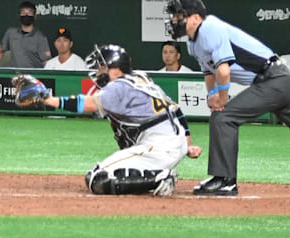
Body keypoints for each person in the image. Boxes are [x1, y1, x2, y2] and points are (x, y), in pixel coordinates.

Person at [165, 0, 290, 195]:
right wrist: (212, 94)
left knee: (223, 117)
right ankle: (223, 178)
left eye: (179, 16)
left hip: (275, 79)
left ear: (195, 17)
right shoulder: (193, 43)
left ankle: (225, 180)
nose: (175, 21)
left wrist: (221, 99)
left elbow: (223, 72)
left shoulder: (210, 28)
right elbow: (209, 72)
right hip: (278, 81)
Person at [22, 45, 200, 196]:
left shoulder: (118, 86)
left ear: (115, 68)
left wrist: (49, 99)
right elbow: (175, 110)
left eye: (102, 66)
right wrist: (186, 145)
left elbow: (88, 104)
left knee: (97, 178)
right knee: (116, 170)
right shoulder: (140, 78)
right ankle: (155, 176)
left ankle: (158, 180)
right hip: (167, 142)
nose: (98, 71)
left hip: (158, 145)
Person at [0, 1, 50, 68]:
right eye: (23, 13)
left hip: (34, 76)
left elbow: (46, 61)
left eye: (29, 13)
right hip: (16, 76)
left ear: (35, 16)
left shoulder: (41, 37)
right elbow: (0, 51)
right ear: (19, 15)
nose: (26, 15)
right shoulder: (11, 33)